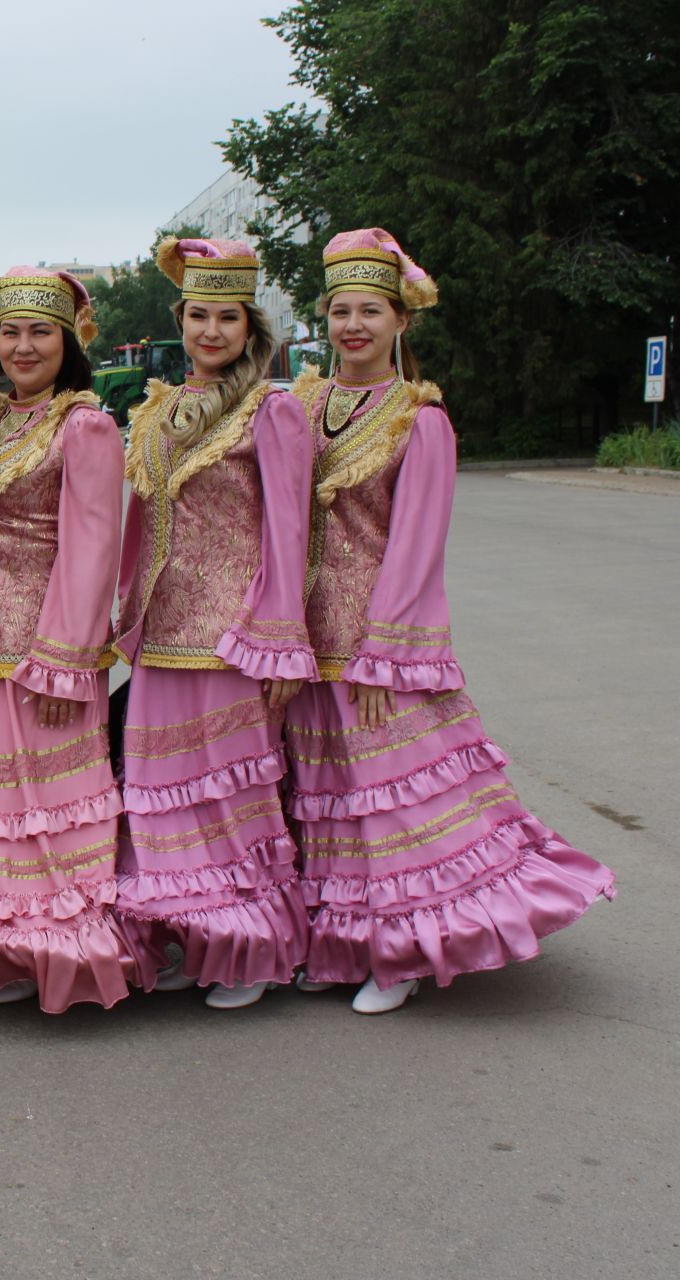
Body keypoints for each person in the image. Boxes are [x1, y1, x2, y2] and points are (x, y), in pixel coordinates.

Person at [284, 229, 615, 1014]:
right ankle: (344, 943)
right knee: (328, 800)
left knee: (394, 802)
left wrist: (386, 654)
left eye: (370, 310)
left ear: (402, 321)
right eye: (339, 311)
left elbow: (416, 546)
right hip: (307, 640)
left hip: (376, 646)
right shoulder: (301, 405)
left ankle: (402, 954)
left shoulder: (419, 420)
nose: (353, 325)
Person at [111, 237, 314, 1010]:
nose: (210, 331)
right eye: (198, 315)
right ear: (181, 320)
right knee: (162, 793)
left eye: (226, 317)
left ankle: (252, 949)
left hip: (232, 634)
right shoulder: (159, 409)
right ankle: (189, 935)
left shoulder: (275, 409)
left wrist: (278, 640)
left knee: (230, 797)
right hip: (161, 634)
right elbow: (141, 519)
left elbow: (288, 533)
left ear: (249, 327)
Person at [0, 268, 135, 1011]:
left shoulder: (83, 425)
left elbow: (92, 546)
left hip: (49, 648)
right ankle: (23, 942)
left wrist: (64, 658)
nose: (24, 347)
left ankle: (72, 947)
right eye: (13, 332)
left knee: (60, 798)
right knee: (3, 799)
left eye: (41, 332)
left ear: (69, 341)